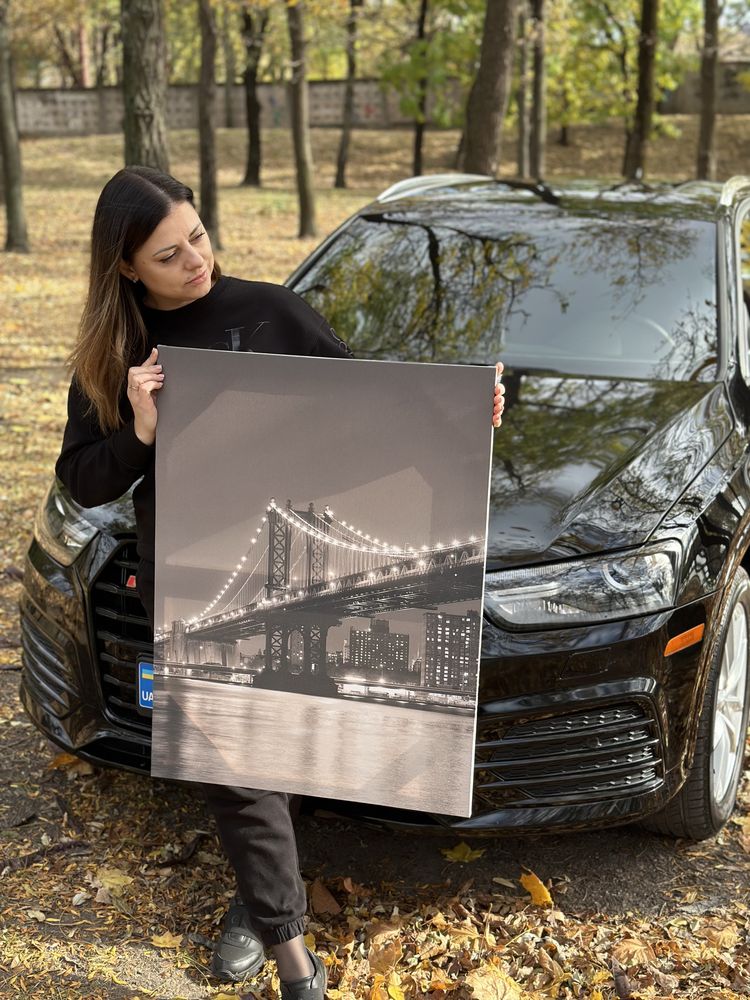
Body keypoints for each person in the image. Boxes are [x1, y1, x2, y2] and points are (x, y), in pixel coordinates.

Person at [54, 165, 505, 998]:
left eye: (197, 236)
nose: (196, 261)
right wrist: (139, 431)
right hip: (191, 577)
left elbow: (374, 416)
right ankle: (294, 955)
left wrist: (461, 416)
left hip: (300, 577)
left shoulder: (273, 313)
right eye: (168, 254)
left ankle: (263, 909)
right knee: (236, 764)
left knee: (273, 750)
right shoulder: (116, 355)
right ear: (125, 268)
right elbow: (82, 481)